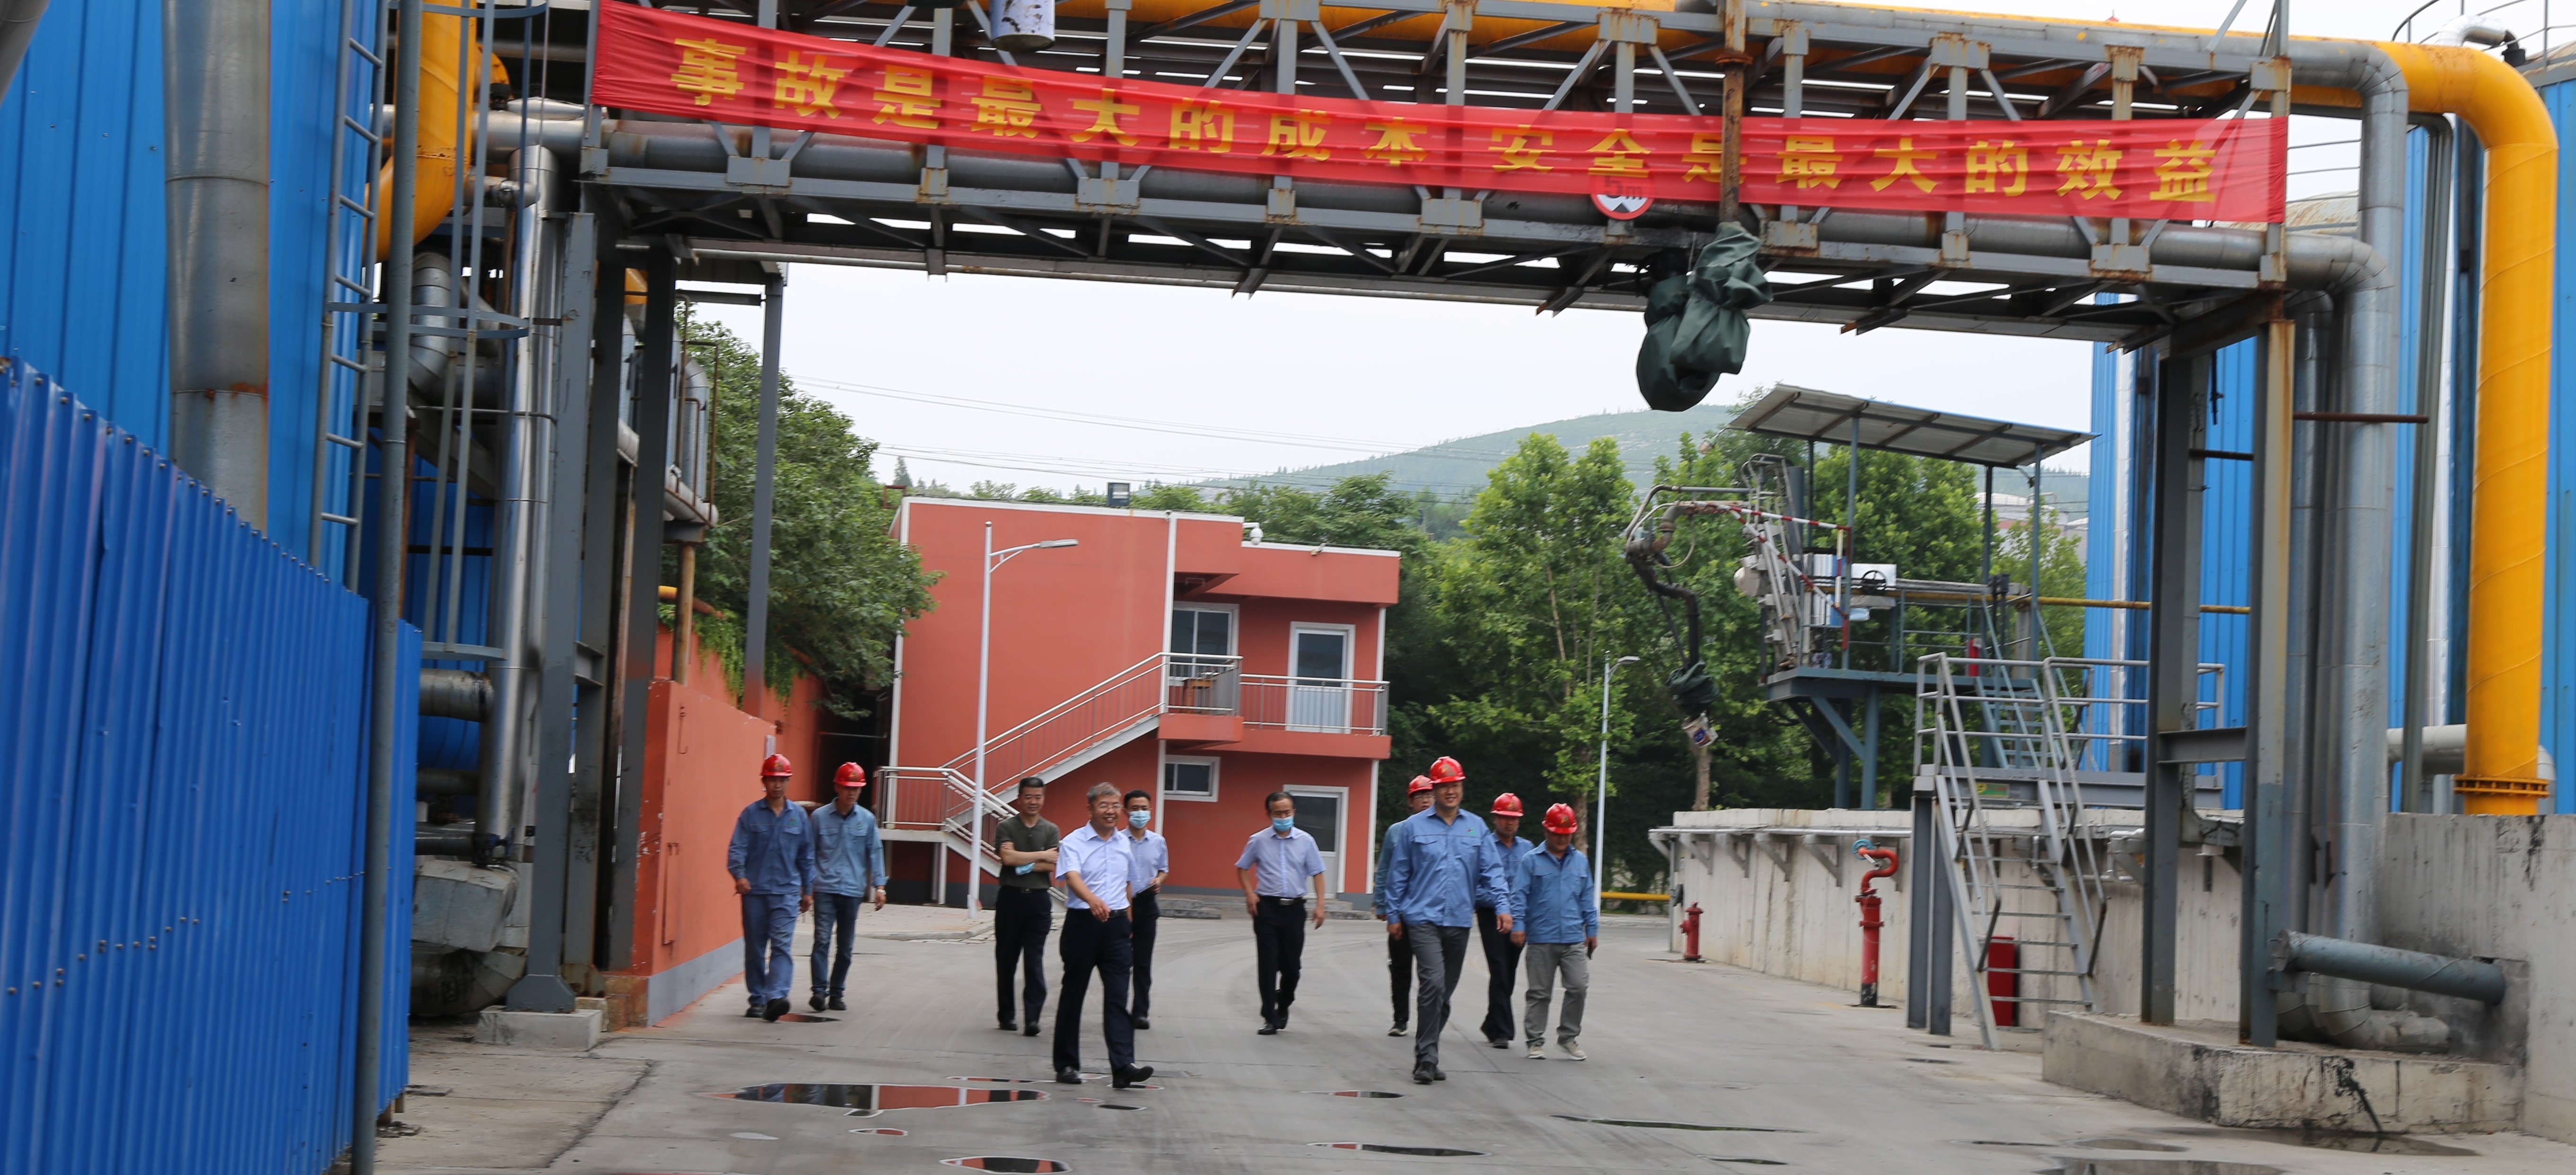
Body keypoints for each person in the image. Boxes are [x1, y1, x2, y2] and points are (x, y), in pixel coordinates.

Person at [1380, 756, 1509, 1085]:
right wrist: (1393, 914)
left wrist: (1503, 906)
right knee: (1433, 984)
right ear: (1434, 790)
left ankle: (1429, 1051)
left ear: (1462, 788)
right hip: (1421, 918)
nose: (1450, 791)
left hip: (1458, 921)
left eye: (1455, 785)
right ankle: (1426, 1058)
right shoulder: (1413, 828)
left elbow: (1493, 870)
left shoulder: (1476, 827)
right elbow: (1398, 874)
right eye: (1443, 786)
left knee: (1443, 994)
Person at [1053, 782, 1153, 1090]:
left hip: (1117, 928)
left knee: (1118, 997)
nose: (1110, 811)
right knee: (1074, 994)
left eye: (1114, 806)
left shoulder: (1124, 843)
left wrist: (1128, 921)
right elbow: (1071, 877)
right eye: (1103, 805)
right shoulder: (1074, 841)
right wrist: (1092, 900)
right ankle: (1067, 1064)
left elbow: (1128, 884)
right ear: (1090, 809)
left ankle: (1123, 1065)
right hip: (1083, 925)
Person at [726, 753, 815, 1022]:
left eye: (782, 780)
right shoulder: (750, 815)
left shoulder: (798, 817)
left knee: (782, 946)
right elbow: (737, 849)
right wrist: (740, 876)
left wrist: (808, 890)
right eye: (772, 779)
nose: (777, 785)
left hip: (786, 893)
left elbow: (807, 856)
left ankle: (776, 997)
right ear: (764, 781)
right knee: (755, 948)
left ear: (788, 782)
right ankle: (757, 998)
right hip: (755, 893)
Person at [1511, 803, 1600, 1061]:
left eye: (1567, 834)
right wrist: (1519, 926)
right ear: (1546, 831)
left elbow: (1587, 897)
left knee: (1578, 987)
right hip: (1541, 938)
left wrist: (1592, 929)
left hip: (1573, 938)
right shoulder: (1531, 861)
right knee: (1539, 993)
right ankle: (1535, 1041)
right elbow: (1519, 896)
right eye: (1556, 833)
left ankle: (1568, 1037)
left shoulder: (1580, 861)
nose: (1562, 838)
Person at [1236, 791, 1329, 1034]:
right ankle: (1270, 1017)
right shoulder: (1258, 840)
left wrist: (1320, 905)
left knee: (1292, 968)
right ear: (1269, 815)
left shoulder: (1306, 841)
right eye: (1278, 814)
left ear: (1294, 812)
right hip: (1267, 909)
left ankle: (1284, 1002)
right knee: (1268, 965)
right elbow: (1243, 868)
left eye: (1287, 813)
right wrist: (1250, 894)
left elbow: (1318, 873)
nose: (1283, 817)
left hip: (1294, 910)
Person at [809, 763, 888, 1012]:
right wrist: (806, 888)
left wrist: (880, 886)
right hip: (825, 888)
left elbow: (875, 852)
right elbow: (809, 853)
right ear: (837, 787)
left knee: (846, 947)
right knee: (822, 940)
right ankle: (819, 992)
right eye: (847, 787)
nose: (851, 792)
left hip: (852, 891)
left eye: (856, 788)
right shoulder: (819, 818)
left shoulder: (866, 820)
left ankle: (837, 993)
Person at [993, 777, 1060, 1035]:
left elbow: (1053, 864)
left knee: (1034, 961)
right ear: (1019, 799)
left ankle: (1033, 1018)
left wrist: (1023, 862)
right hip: (1010, 899)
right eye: (1028, 797)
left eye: (1038, 797)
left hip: (1039, 901)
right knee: (1006, 960)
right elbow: (1008, 858)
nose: (1033, 802)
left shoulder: (1051, 829)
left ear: (1044, 798)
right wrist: (1040, 856)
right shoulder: (1007, 827)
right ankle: (1006, 1016)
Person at [1373, 776, 1434, 1037]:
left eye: (1429, 796)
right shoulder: (1396, 832)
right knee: (1400, 968)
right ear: (1411, 802)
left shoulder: (1441, 830)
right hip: (1401, 910)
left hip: (1430, 912)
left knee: (1430, 971)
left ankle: (1428, 1020)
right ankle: (1400, 1020)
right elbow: (1385, 869)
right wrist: (1382, 904)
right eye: (1420, 797)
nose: (1425, 801)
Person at [1475, 793, 1534, 1047]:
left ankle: (1491, 1022)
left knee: (1509, 971)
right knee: (1498, 968)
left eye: (1514, 818)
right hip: (1491, 916)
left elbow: (1534, 884)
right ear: (1495, 819)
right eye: (1505, 818)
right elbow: (1475, 887)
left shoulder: (1528, 849)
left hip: (1519, 917)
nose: (1510, 823)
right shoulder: (1483, 846)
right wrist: (1500, 903)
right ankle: (1502, 1031)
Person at [1122, 789, 1169, 1030]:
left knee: (1143, 962)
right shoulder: (1118, 841)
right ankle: (1118, 1010)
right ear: (1126, 812)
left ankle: (1140, 1012)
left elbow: (1164, 869)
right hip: (1122, 905)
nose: (1140, 813)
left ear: (1150, 811)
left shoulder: (1158, 841)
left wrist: (1159, 881)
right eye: (1135, 809)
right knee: (1121, 962)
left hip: (1147, 904)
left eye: (1144, 809)